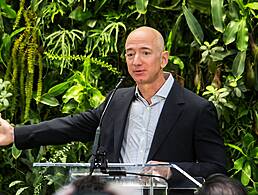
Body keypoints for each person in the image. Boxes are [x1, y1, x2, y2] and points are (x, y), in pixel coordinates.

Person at [0, 26, 227, 181]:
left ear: (163, 58)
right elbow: (72, 126)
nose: (136, 61)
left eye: (145, 52)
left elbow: (216, 168)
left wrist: (171, 171)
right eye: (130, 54)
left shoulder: (196, 109)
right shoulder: (117, 100)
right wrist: (15, 134)